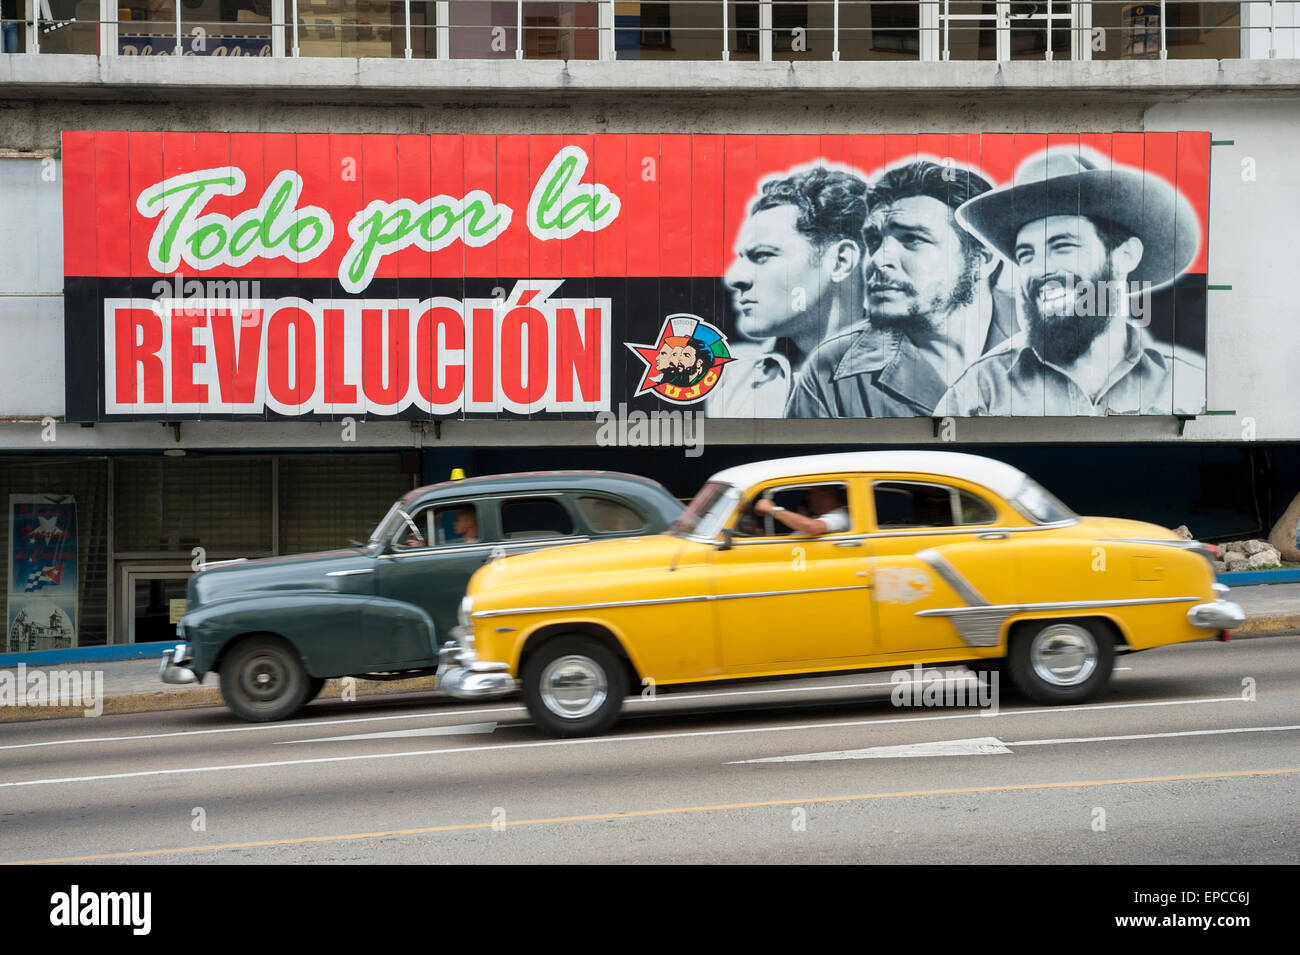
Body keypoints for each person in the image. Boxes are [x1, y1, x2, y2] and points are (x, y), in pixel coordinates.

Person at [937, 147, 1205, 416]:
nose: (1041, 270)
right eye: (1026, 255)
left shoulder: (1188, 387)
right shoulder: (980, 391)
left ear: (1126, 256)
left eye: (1063, 245)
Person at [786, 159, 1012, 418]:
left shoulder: (1049, 340)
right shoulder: (828, 373)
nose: (877, 260)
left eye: (912, 239)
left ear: (982, 259)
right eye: (873, 241)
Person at [707, 166, 869, 417]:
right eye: (741, 258)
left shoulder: (916, 378)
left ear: (840, 262)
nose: (735, 277)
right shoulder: (728, 378)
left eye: (762, 256)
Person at [753, 485, 849, 536]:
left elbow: (812, 527)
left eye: (811, 494)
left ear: (826, 493)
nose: (809, 499)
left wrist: (772, 509)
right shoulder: (822, 517)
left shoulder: (840, 517)